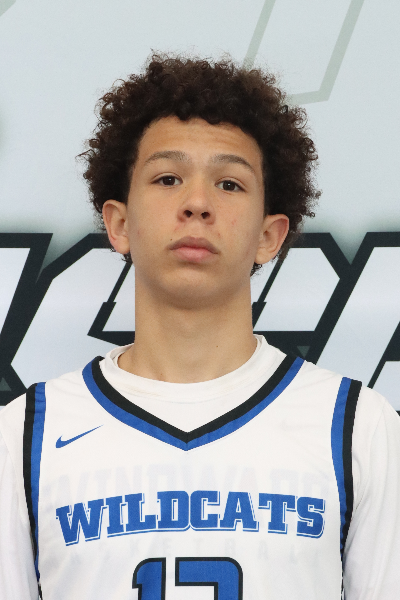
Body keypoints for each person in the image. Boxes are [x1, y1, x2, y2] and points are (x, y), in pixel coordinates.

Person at [0, 54, 399, 600]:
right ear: (119, 223)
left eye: (230, 184)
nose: (196, 203)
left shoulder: (358, 428)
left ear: (269, 236)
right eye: (168, 178)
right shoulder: (23, 436)